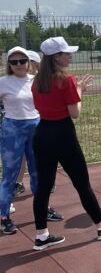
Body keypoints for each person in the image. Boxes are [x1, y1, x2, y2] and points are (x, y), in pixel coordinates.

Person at [31, 37, 101, 250]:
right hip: (63, 134)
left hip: (42, 134)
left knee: (43, 187)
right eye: (66, 53)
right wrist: (80, 90)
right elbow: (75, 112)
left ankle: (41, 235)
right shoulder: (66, 79)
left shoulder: (36, 81)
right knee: (82, 184)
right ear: (56, 57)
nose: (70, 56)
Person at [0, 47, 64, 235]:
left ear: (29, 62)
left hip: (36, 128)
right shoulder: (3, 82)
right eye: (14, 62)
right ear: (9, 65)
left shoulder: (37, 80)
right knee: (10, 174)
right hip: (12, 130)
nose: (19, 64)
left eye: (22, 60)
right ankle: (4, 216)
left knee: (39, 173)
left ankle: (44, 208)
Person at [14, 50, 42, 197]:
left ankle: (44, 183)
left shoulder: (39, 81)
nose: (23, 64)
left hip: (37, 123)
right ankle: (18, 183)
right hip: (18, 124)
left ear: (35, 64)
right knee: (20, 156)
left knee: (37, 156)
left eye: (27, 61)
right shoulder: (13, 81)